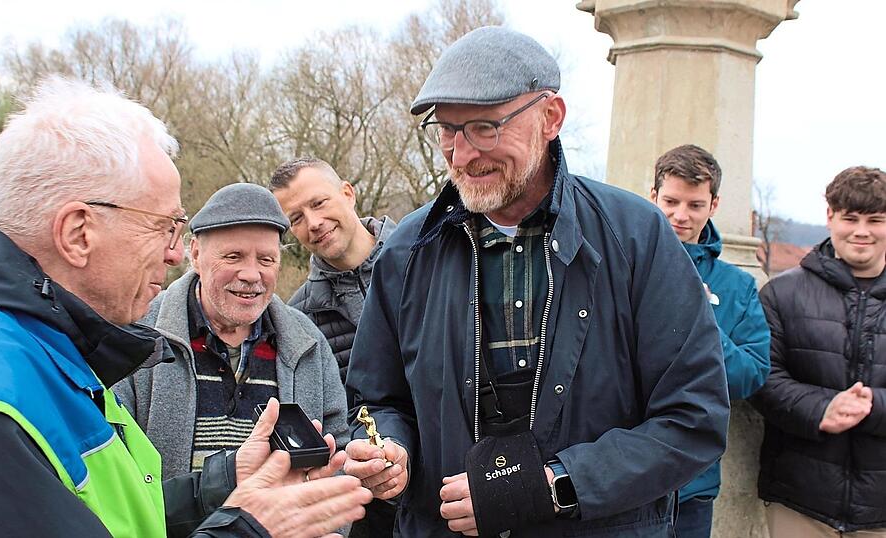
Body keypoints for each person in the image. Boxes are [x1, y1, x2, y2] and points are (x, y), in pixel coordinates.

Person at [0, 77, 370, 538]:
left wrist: (230, 481)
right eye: (162, 227)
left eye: (266, 259)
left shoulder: (58, 355)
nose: (175, 254)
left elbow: (126, 515)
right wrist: (248, 530)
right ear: (79, 233)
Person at [342, 26, 730, 537]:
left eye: (484, 127)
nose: (460, 154)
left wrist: (554, 487)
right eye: (447, 130)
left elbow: (693, 417)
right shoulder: (407, 250)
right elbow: (377, 399)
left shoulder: (637, 236)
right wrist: (389, 451)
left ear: (551, 118)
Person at [114, 182, 348, 479]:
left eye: (266, 260)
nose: (251, 275)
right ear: (196, 254)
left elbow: (338, 457)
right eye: (233, 257)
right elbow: (113, 472)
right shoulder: (137, 333)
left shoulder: (309, 344)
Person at [752, 166, 886, 538]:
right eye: (850, 218)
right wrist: (820, 408)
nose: (862, 231)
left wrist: (873, 405)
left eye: (875, 220)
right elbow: (763, 376)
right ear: (829, 216)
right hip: (800, 497)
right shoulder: (781, 293)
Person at [270, 157, 399, 537]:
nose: (312, 223)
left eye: (319, 203)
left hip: (456, 479)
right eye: (295, 218)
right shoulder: (298, 319)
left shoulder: (425, 260)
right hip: (370, 508)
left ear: (348, 193)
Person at [650, 144, 771, 537]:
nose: (680, 215)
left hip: (693, 487)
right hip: (620, 480)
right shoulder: (618, 267)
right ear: (653, 197)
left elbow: (750, 376)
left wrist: (702, 321)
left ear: (713, 205)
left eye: (695, 204)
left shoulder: (738, 288)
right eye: (670, 201)